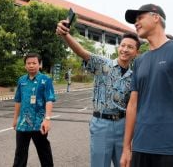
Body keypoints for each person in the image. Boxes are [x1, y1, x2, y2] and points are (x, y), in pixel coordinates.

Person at [120, 4, 173, 167]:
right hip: (141, 146)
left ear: (156, 17)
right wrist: (126, 148)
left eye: (140, 18)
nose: (136, 23)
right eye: (135, 21)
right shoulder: (139, 61)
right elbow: (132, 105)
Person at [56, 21, 140, 167]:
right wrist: (65, 35)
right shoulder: (102, 64)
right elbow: (81, 52)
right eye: (123, 45)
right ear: (118, 47)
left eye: (130, 47)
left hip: (123, 125)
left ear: (136, 52)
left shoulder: (135, 76)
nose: (125, 49)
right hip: (102, 124)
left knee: (125, 163)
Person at [12, 53, 56, 167]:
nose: (31, 65)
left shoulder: (46, 80)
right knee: (20, 154)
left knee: (44, 152)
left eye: (34, 63)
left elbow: (49, 100)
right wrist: (15, 119)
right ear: (25, 66)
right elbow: (18, 100)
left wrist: (47, 119)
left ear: (40, 64)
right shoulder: (21, 80)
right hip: (23, 123)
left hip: (39, 123)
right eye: (28, 63)